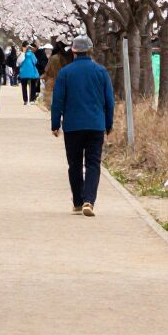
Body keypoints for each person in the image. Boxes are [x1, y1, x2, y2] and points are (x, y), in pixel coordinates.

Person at [51, 34, 114, 217]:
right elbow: (109, 101)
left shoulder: (65, 72)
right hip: (96, 124)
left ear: (73, 51)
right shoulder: (101, 72)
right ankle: (89, 201)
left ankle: (78, 202)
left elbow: (58, 101)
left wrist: (56, 124)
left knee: (75, 164)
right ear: (90, 51)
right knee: (93, 163)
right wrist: (108, 124)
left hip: (73, 125)